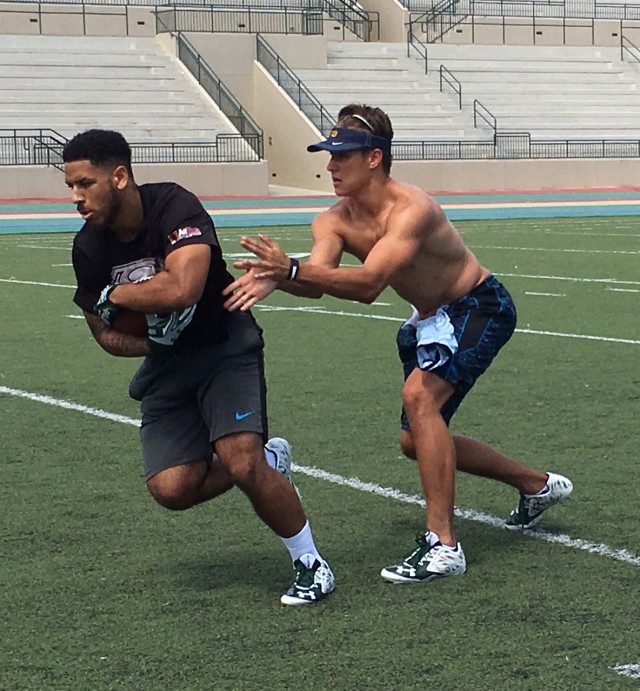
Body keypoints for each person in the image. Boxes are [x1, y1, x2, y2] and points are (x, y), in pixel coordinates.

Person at [222, 104, 573, 585]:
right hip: (431, 319)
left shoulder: (414, 209)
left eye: (342, 156)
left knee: (419, 398)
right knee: (415, 440)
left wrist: (293, 270)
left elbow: (368, 285)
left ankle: (443, 545)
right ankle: (536, 487)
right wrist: (278, 278)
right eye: (329, 155)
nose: (331, 167)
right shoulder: (332, 220)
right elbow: (319, 281)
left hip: (477, 305)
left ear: (374, 158)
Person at [63, 129, 335, 605]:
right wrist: (151, 342)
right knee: (172, 488)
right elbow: (103, 335)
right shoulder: (88, 248)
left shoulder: (174, 206)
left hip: (223, 343)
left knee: (239, 458)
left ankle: (310, 563)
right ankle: (275, 462)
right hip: (167, 361)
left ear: (120, 176)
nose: (75, 198)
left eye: (85, 184)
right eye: (71, 186)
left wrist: (120, 294)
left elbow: (183, 288)